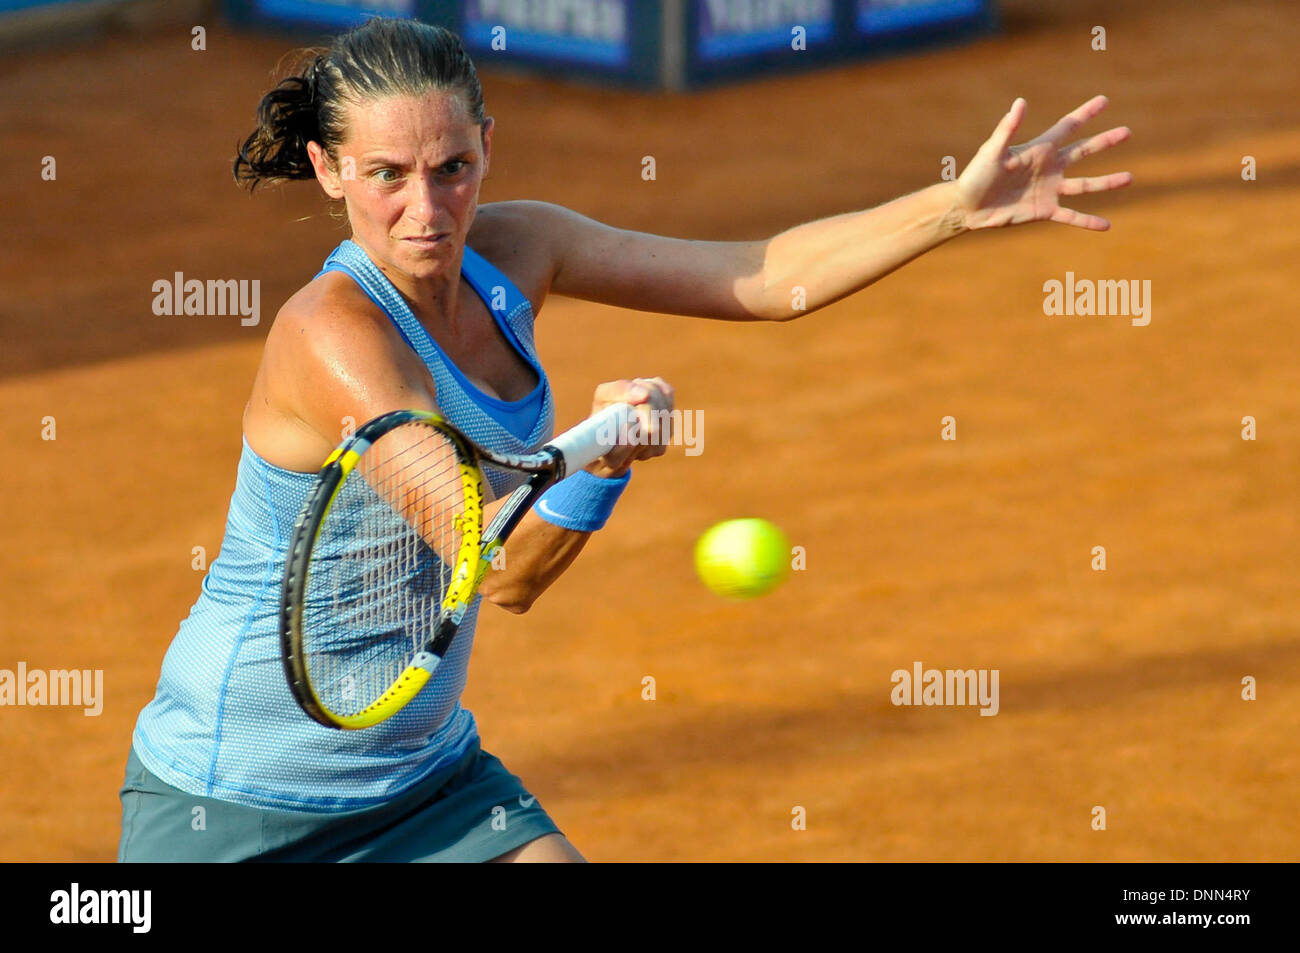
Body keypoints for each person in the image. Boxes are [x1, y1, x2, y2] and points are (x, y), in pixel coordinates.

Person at [119, 17, 1131, 863]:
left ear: (485, 146)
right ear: (327, 169)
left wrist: (947, 209)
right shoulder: (332, 336)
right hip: (236, 805)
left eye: (451, 167)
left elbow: (763, 274)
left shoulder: (525, 246)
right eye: (386, 174)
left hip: (425, 777)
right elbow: (503, 567)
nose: (427, 209)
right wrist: (601, 461)